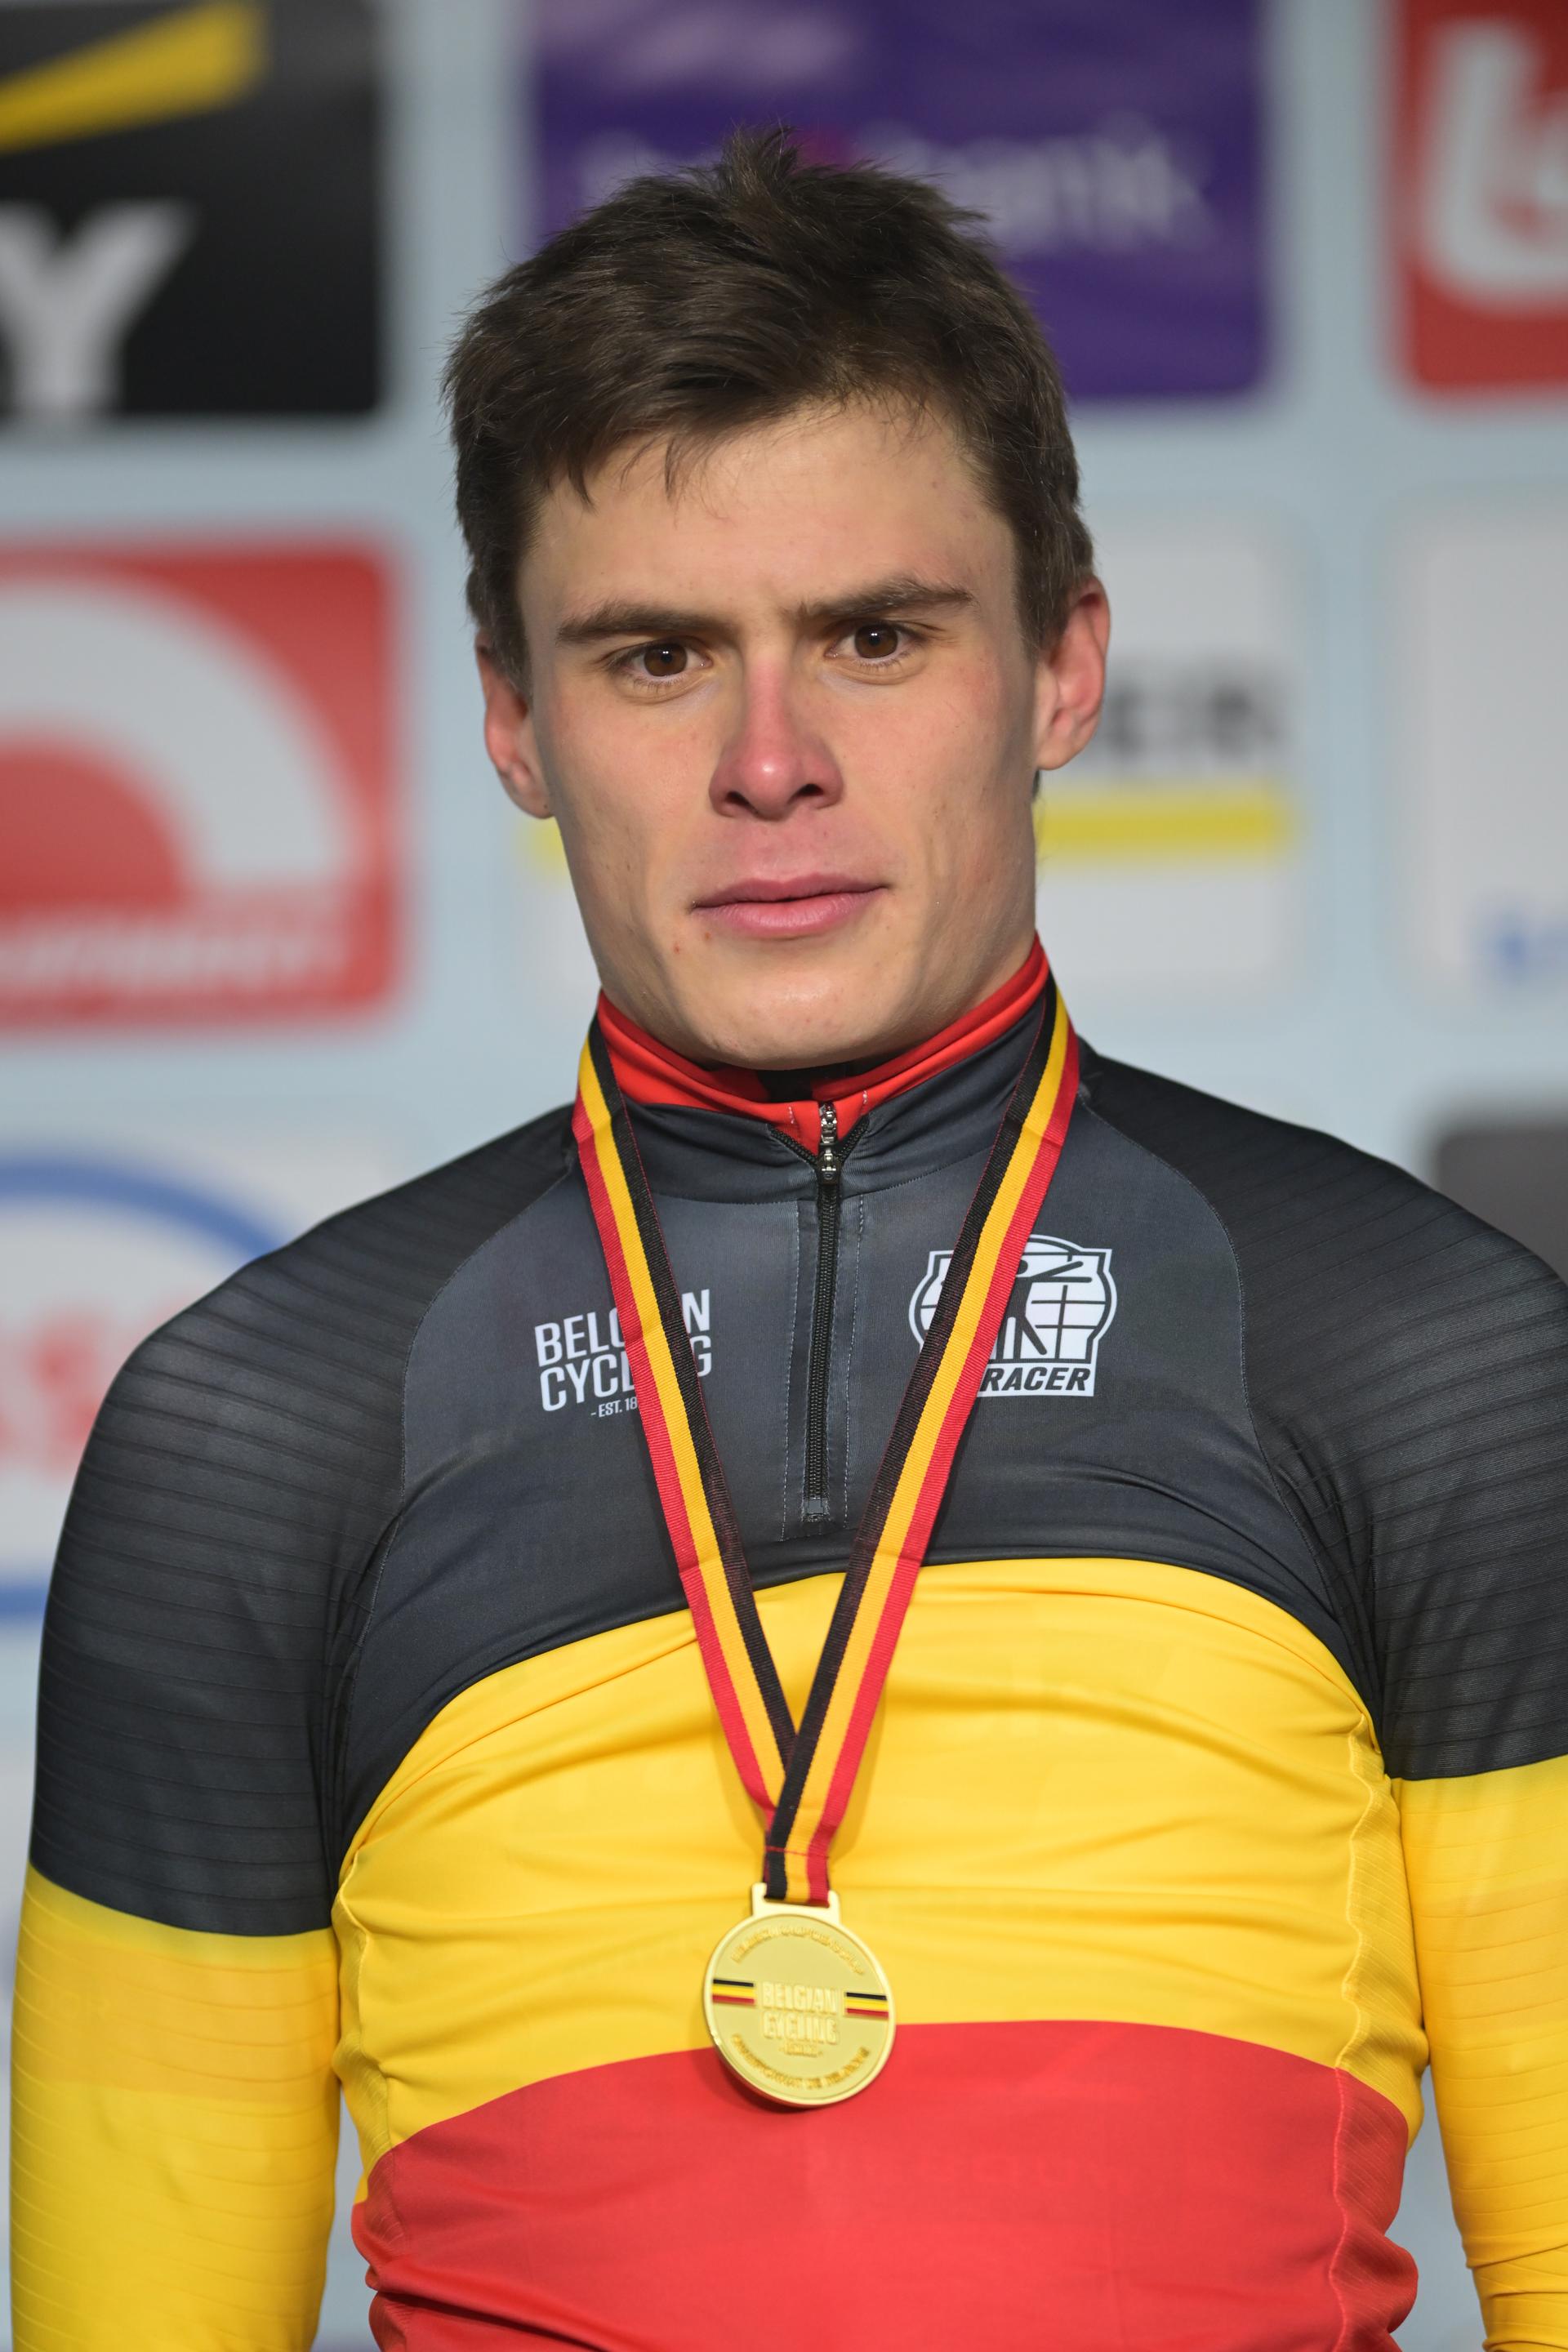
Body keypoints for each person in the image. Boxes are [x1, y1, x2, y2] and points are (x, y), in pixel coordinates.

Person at [11, 130, 1567, 2352]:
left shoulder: (1433, 1359)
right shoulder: (254, 1436)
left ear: (1058, 671)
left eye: (873, 635)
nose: (772, 759)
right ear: (514, 721)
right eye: (656, 657)